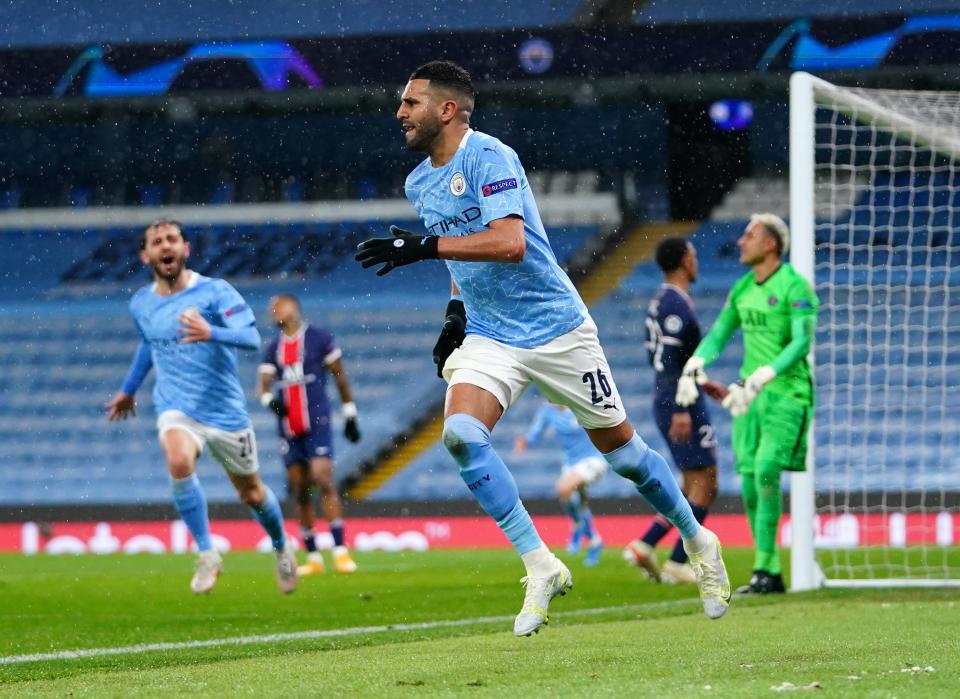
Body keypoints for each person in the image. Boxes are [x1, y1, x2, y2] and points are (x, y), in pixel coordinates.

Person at [354, 60, 730, 636]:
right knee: (460, 435)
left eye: (410, 103)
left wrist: (425, 246)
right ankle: (539, 563)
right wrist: (455, 312)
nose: (399, 113)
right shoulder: (418, 183)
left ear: (447, 109)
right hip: (489, 333)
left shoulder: (491, 157)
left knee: (625, 457)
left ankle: (698, 537)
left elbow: (508, 242)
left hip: (556, 328)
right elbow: (459, 253)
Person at [105, 220, 297, 595]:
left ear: (185, 249)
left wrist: (212, 333)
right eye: (157, 241)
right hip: (176, 406)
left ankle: (281, 547)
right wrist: (129, 390)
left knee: (252, 493)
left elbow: (251, 338)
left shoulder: (215, 292)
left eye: (172, 239)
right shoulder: (141, 303)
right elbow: (149, 344)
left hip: (225, 413)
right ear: (146, 255)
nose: (166, 246)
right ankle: (208, 553)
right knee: (178, 461)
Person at [676, 213, 818, 594]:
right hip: (747, 398)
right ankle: (766, 570)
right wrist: (697, 362)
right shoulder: (742, 289)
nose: (740, 241)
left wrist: (766, 373)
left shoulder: (795, 286)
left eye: (750, 235)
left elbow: (802, 341)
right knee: (752, 481)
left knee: (768, 467)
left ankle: (767, 568)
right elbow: (720, 332)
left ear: (771, 243)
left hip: (787, 393)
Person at [624, 237, 724, 584]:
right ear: (684, 261)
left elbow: (675, 358)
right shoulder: (675, 304)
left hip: (675, 392)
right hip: (678, 398)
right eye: (694, 255)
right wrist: (682, 405)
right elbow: (669, 359)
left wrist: (702, 381)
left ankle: (646, 544)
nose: (697, 261)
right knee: (706, 483)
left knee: (691, 483)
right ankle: (678, 561)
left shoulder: (663, 300)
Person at [257, 293, 361, 576]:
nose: (273, 311)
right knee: (299, 488)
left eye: (278, 305)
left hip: (317, 422)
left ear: (294, 307)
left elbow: (339, 375)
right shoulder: (273, 349)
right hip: (289, 428)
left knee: (323, 478)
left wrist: (349, 412)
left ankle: (340, 552)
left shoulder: (318, 338)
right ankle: (313, 556)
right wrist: (270, 402)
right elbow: (263, 387)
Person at [513, 402, 607, 566]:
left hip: (593, 459)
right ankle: (594, 541)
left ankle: (578, 525)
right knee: (577, 501)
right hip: (570, 464)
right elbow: (536, 432)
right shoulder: (547, 411)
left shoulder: (578, 402)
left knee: (563, 487)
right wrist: (525, 440)